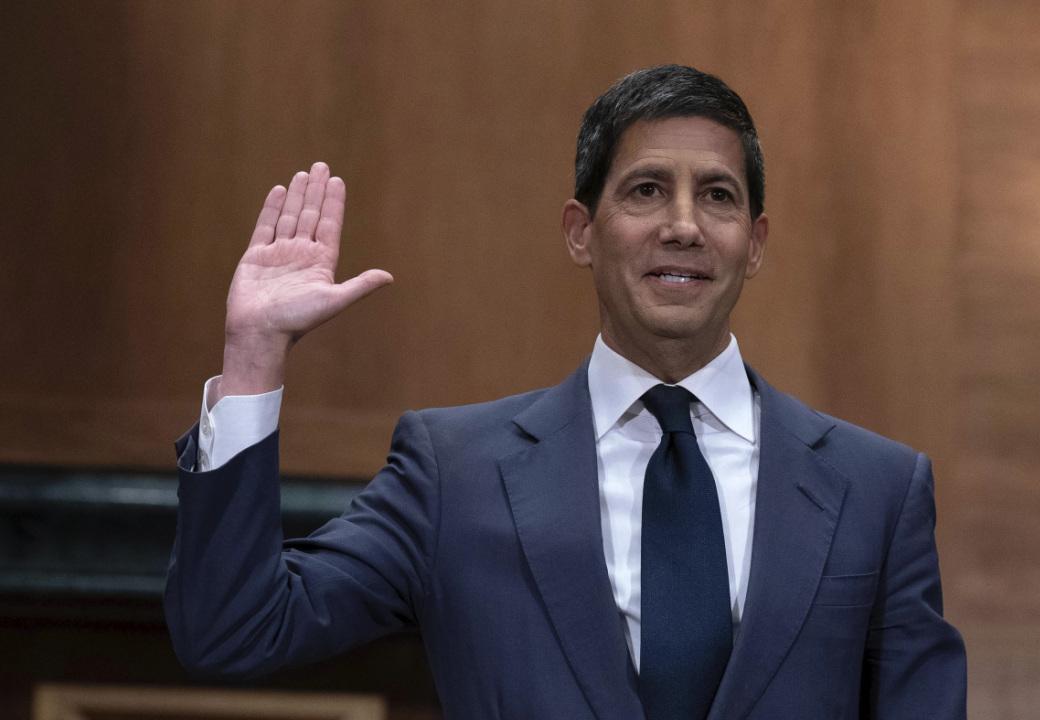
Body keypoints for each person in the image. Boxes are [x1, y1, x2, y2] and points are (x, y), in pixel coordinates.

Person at [165, 65, 966, 720]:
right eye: (646, 190)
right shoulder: (455, 473)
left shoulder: (876, 488)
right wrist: (253, 355)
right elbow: (234, 631)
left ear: (754, 244)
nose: (683, 225)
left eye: (718, 195)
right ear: (582, 232)